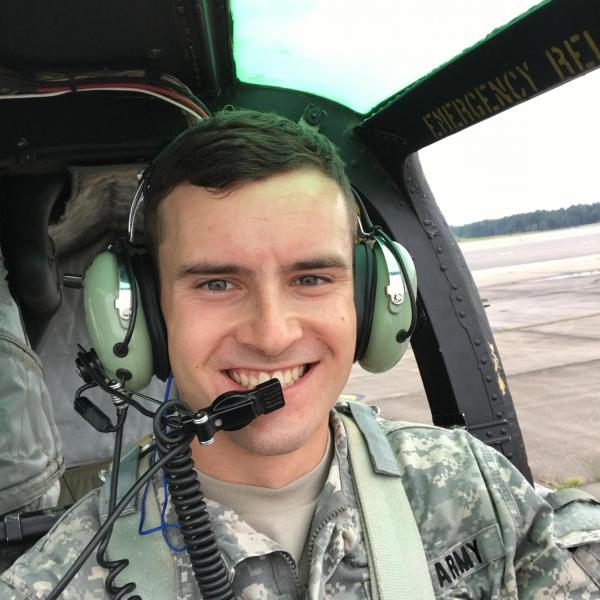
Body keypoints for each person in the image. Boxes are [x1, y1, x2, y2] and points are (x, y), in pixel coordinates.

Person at [1, 109, 598, 599]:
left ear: (371, 300)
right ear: (141, 316)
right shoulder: (66, 576)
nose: (272, 334)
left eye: (312, 278)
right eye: (216, 283)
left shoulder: (475, 487)